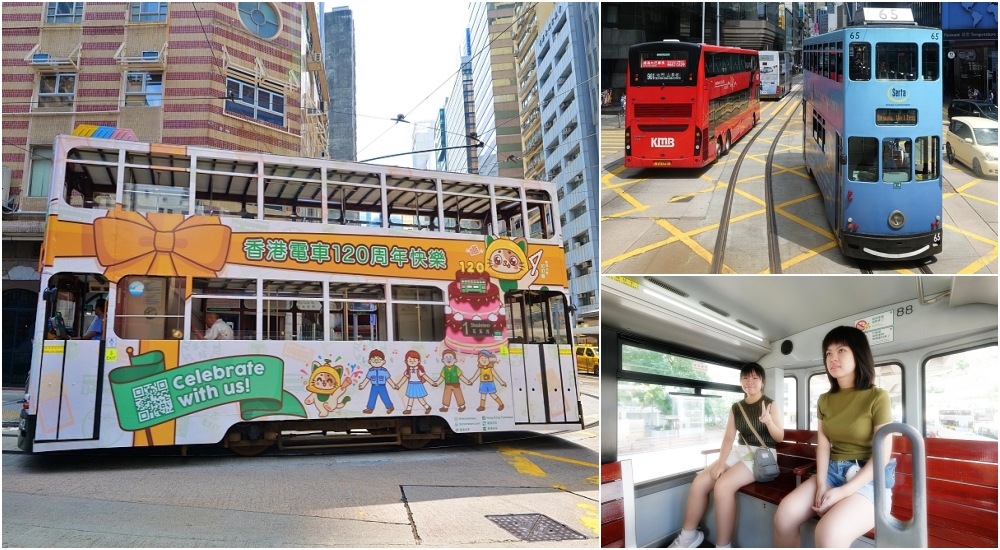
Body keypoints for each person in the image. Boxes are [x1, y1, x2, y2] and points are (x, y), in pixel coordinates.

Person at [773, 326, 895, 548]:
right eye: (828, 353)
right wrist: (821, 484)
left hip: (869, 478)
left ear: (858, 354)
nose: (833, 358)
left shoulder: (878, 397)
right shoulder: (824, 400)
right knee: (784, 516)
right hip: (832, 472)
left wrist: (844, 491)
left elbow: (882, 456)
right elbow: (824, 445)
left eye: (841, 350)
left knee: (828, 534)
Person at [668, 363, 784, 548]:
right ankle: (688, 536)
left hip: (762, 454)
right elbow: (729, 437)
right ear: (741, 382)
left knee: (722, 487)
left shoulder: (770, 404)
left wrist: (769, 422)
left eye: (755, 377)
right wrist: (721, 463)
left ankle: (723, 545)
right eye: (745, 378)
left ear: (762, 382)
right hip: (740, 451)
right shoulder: (736, 407)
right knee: (699, 483)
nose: (750, 381)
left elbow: (779, 437)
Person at [394, 350, 434, 415]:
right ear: (406, 361)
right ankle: (409, 409)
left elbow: (425, 376)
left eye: (414, 360)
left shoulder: (419, 370)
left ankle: (427, 407)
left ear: (418, 361)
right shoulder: (408, 370)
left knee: (420, 397)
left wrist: (432, 382)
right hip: (411, 384)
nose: (412, 362)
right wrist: (399, 385)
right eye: (410, 360)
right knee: (411, 397)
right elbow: (404, 378)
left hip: (418, 384)